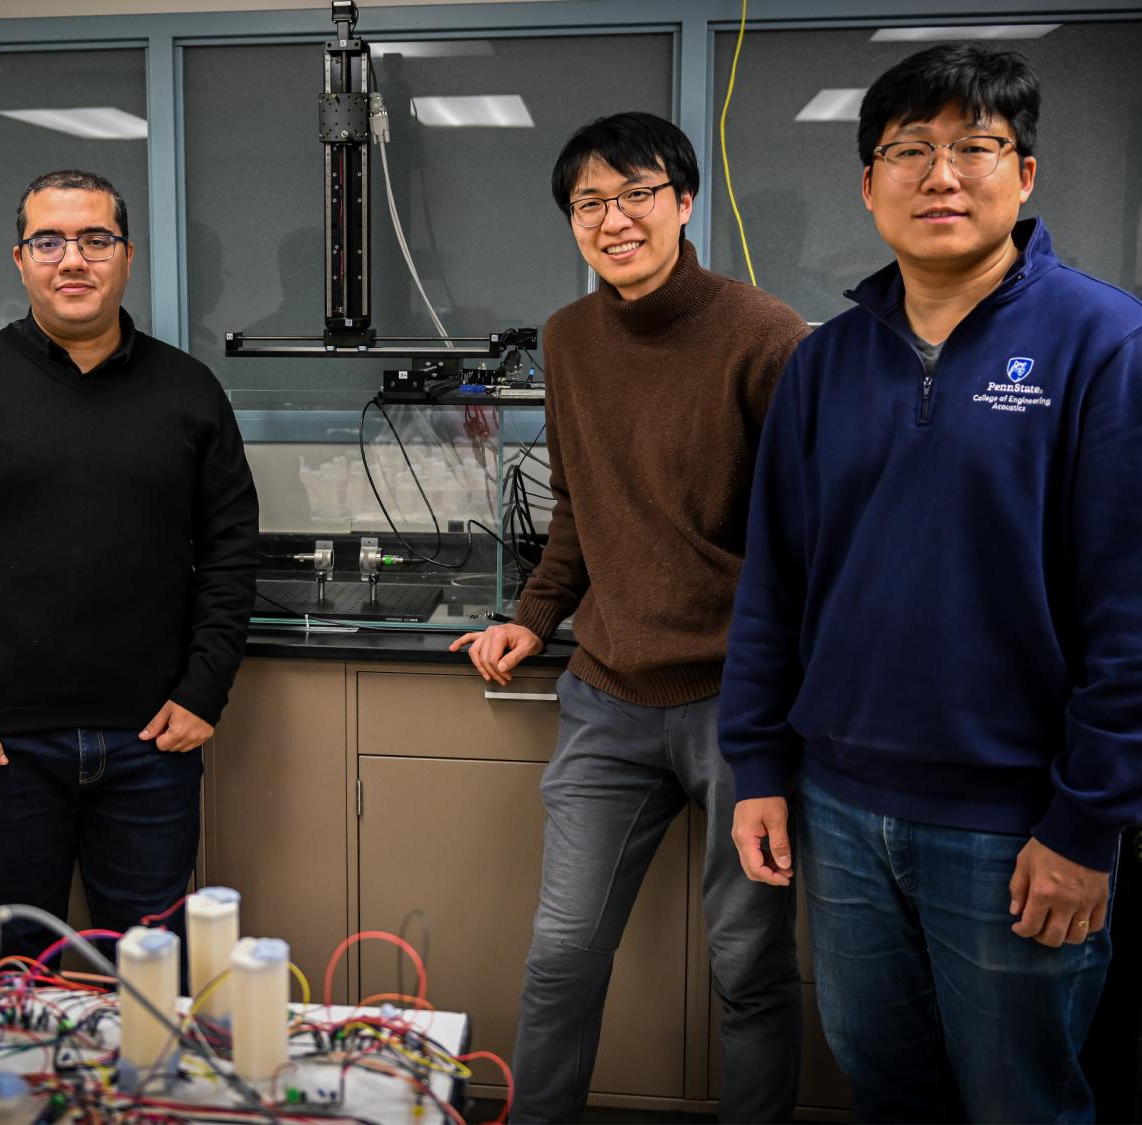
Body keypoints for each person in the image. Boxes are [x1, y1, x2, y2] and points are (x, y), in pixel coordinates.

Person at [721, 44, 1142, 1123]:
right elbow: (777, 582)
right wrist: (759, 765)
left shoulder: (1106, 344)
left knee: (1021, 1102)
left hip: (1017, 823)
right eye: (910, 151)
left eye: (974, 147)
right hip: (842, 807)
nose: (941, 176)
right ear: (869, 186)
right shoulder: (825, 363)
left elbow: (1128, 610)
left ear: (1026, 173)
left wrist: (1088, 823)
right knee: (885, 1084)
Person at [450, 113, 808, 1123]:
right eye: (589, 204)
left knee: (748, 960)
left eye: (637, 194)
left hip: (740, 704)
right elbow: (580, 505)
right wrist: (532, 617)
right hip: (607, 696)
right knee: (562, 954)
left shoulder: (765, 336)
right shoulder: (568, 340)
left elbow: (806, 538)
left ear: (684, 202)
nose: (615, 220)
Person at [0, 169, 258, 966]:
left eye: (95, 239)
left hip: (153, 745)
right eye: (49, 241)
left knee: (153, 973)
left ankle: (141, 1097)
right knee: (12, 973)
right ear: (20, 260)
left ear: (126, 256)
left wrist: (203, 690)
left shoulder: (189, 391)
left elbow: (229, 551)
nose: (73, 259)